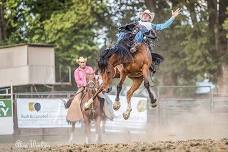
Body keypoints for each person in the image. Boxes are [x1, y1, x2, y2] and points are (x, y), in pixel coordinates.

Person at [116, 8, 181, 73]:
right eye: (144, 15)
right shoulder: (136, 23)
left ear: (149, 18)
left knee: (141, 31)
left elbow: (163, 26)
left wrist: (173, 17)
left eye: (147, 15)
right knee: (122, 32)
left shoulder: (150, 25)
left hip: (140, 42)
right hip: (130, 39)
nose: (145, 16)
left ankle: (135, 47)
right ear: (141, 16)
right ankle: (117, 48)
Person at [66, 56, 94, 123]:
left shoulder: (90, 69)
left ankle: (106, 112)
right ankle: (73, 116)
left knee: (102, 96)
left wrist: (91, 83)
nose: (83, 63)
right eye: (81, 62)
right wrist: (85, 84)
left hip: (91, 86)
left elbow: (93, 76)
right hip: (82, 87)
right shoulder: (76, 71)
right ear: (79, 63)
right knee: (76, 99)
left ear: (85, 62)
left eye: (83, 62)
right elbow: (77, 81)